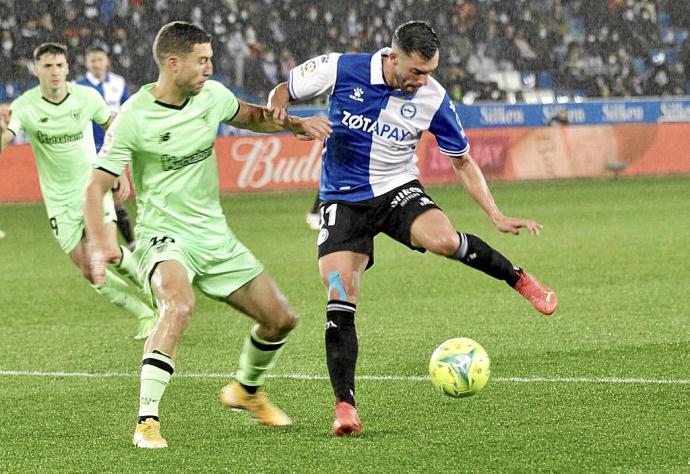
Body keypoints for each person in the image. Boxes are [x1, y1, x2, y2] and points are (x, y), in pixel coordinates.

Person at [267, 20, 558, 436]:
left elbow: (462, 160)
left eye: (430, 72)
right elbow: (282, 91)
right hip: (342, 200)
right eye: (416, 72)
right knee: (339, 295)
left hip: (397, 189)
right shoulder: (340, 68)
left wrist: (495, 214)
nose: (423, 81)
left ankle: (520, 279)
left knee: (444, 240)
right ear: (392, 57)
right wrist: (291, 119)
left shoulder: (433, 97)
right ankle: (345, 407)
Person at [83, 21, 332, 449]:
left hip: (215, 237)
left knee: (280, 320)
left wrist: (294, 124)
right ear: (173, 63)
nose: (209, 69)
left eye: (211, 60)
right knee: (177, 306)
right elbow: (95, 186)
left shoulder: (211, 96)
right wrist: (102, 238)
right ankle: (147, 421)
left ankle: (246, 391)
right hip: (164, 235)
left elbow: (252, 116)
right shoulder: (133, 118)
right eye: (202, 61)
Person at [0, 43, 156, 340]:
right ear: (36, 70)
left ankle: (159, 297)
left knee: (108, 252)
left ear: (69, 67)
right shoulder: (26, 105)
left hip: (93, 188)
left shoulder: (87, 97)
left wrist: (120, 169)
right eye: (48, 66)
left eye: (59, 65)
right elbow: (6, 138)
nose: (55, 71)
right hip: (58, 202)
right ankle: (146, 314)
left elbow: (115, 129)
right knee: (90, 272)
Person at [77, 46, 136, 250]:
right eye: (92, 60)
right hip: (87, 150)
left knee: (115, 195)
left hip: (112, 148)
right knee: (87, 195)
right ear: (87, 63)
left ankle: (130, 242)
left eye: (99, 59)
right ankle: (91, 242)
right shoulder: (79, 87)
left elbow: (128, 111)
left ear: (107, 61)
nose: (96, 64)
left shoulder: (118, 83)